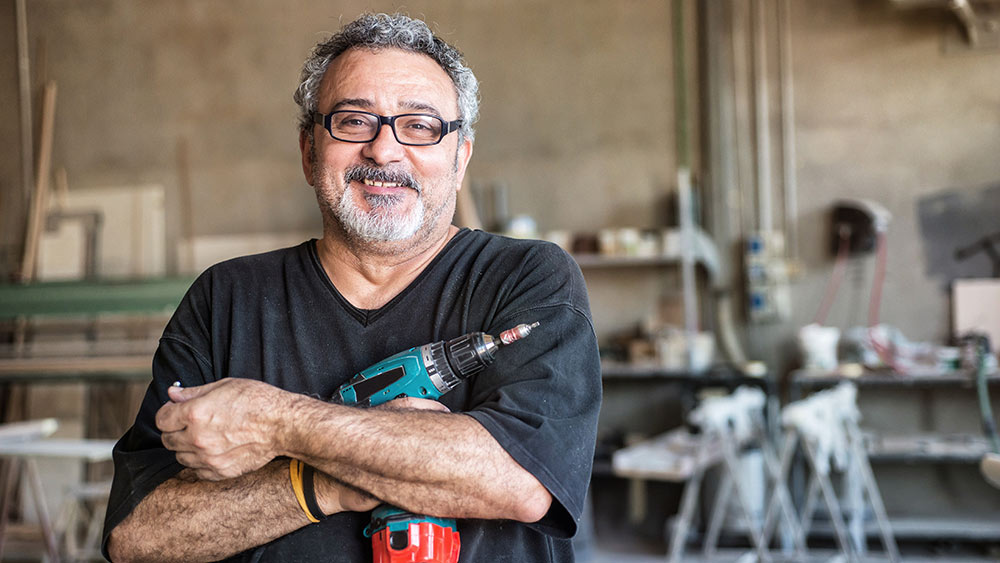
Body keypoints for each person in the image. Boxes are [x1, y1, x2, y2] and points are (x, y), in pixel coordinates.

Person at [103, 12, 601, 563]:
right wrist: (326, 485)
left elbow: (522, 483)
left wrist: (278, 422)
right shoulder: (227, 297)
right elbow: (137, 536)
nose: (384, 151)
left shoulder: (528, 277)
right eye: (354, 121)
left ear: (460, 159)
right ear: (309, 152)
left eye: (419, 125)